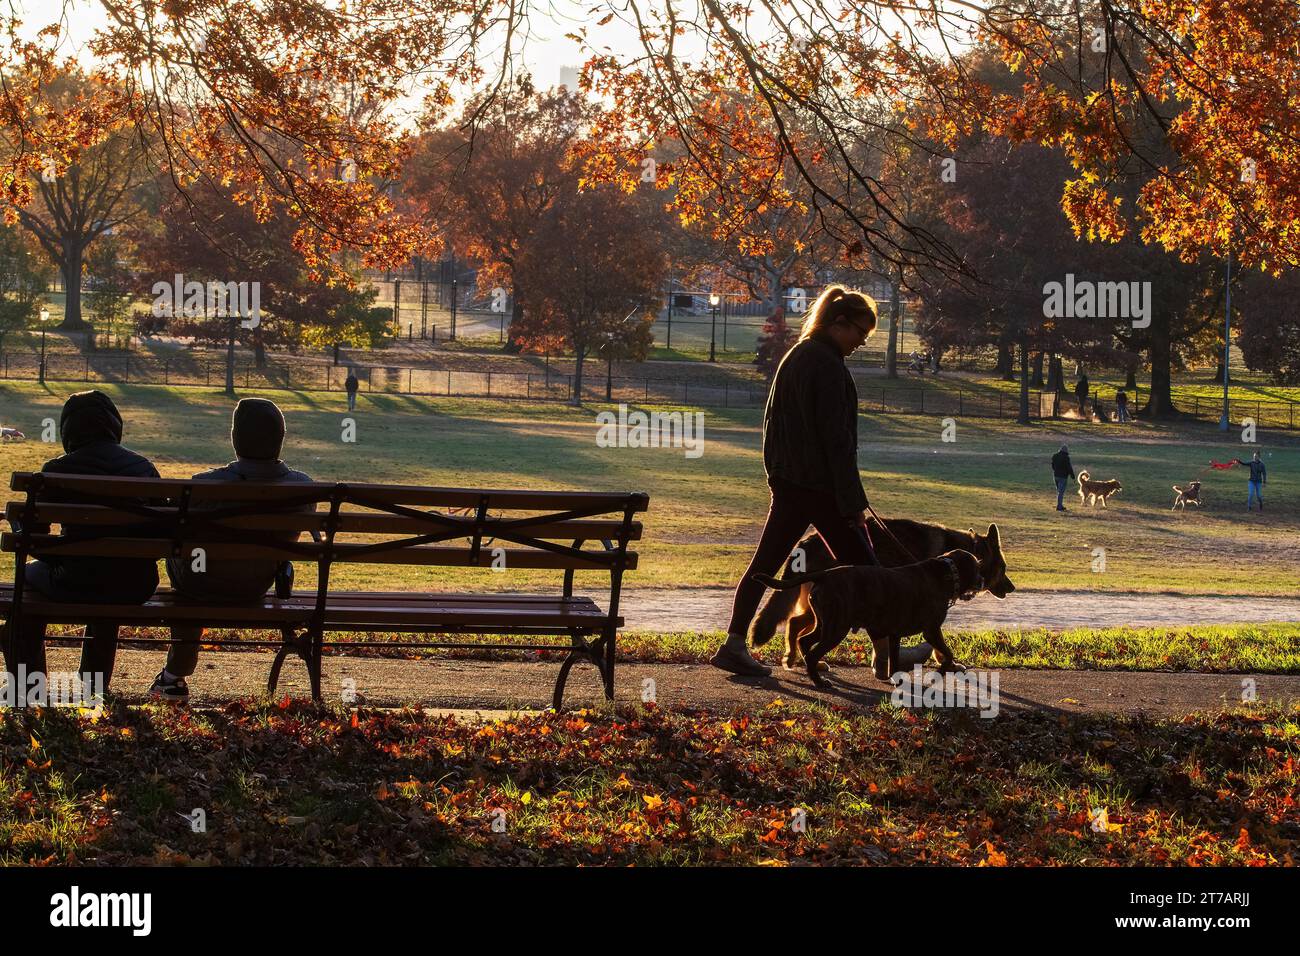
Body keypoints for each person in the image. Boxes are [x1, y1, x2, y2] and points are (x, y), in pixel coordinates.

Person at [711, 286, 881, 677]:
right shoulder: (827, 364)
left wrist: (777, 478)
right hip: (820, 488)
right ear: (840, 323)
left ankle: (735, 642)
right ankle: (887, 652)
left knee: (764, 563)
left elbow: (773, 425)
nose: (861, 342)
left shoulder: (797, 355)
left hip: (791, 483)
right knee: (867, 568)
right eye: (860, 332)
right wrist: (854, 503)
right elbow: (837, 443)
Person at [149, 399, 314, 702]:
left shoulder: (203, 486)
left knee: (188, 562)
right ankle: (173, 675)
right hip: (255, 584)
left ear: (236, 439)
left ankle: (174, 677)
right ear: (280, 438)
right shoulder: (303, 487)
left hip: (197, 584)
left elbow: (169, 532)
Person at [1, 391, 159, 700]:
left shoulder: (56, 471)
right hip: (135, 585)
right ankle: (93, 685)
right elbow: (158, 540)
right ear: (115, 425)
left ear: (67, 430)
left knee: (27, 581)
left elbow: (36, 543)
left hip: (73, 581)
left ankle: (28, 684)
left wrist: (18, 527)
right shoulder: (143, 470)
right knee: (111, 577)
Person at [1051, 443, 1075, 512]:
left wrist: (1055, 471)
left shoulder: (1055, 456)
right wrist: (1072, 476)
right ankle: (1059, 506)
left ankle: (1059, 505)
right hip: (1063, 477)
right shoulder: (1066, 457)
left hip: (1055, 476)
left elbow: (1052, 465)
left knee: (1059, 491)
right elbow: (1069, 468)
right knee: (1061, 492)